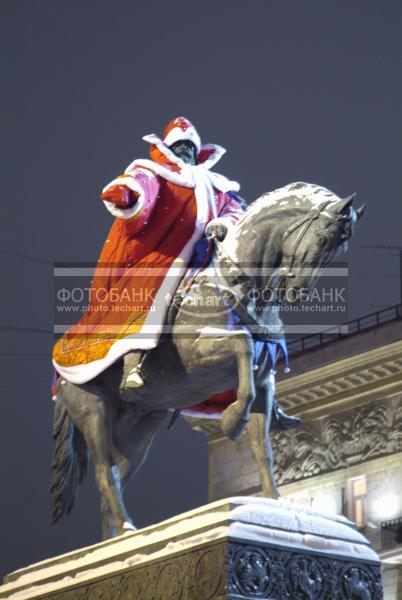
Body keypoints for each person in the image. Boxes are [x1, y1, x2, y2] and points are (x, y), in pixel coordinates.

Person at [52, 116, 299, 430]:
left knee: (253, 303)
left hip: (209, 255)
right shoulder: (154, 172)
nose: (184, 152)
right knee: (153, 297)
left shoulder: (218, 184)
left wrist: (226, 223)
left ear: (199, 152)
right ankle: (134, 363)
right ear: (167, 148)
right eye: (179, 146)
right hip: (167, 256)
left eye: (189, 147)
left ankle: (266, 396)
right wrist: (128, 195)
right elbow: (141, 189)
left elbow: (236, 211)